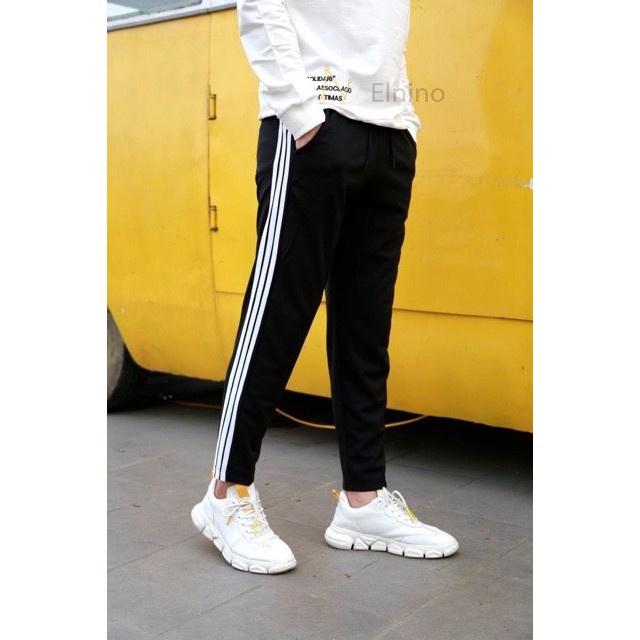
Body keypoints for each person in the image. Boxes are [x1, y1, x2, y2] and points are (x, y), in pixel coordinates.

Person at [191, 0, 459, 574]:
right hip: (317, 127)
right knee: (276, 315)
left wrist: (404, 121)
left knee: (366, 328)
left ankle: (363, 499)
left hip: (389, 137)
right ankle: (226, 493)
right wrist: (301, 110)